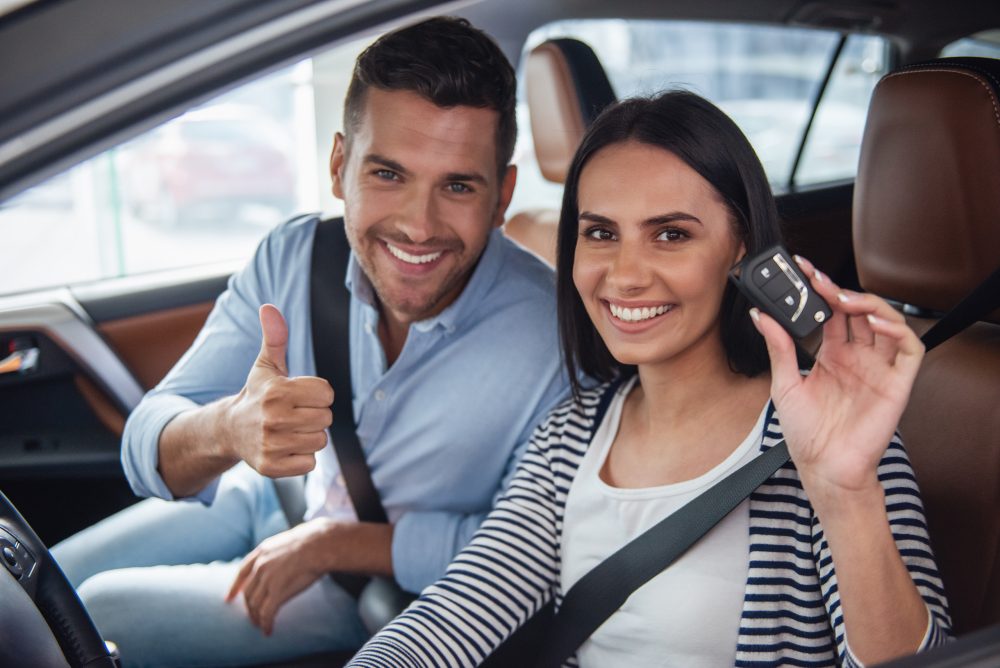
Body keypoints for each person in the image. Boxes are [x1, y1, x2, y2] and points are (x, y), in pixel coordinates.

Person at [347, 91, 952, 667]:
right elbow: (457, 612)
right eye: (602, 233)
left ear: (740, 249)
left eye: (671, 235)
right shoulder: (570, 435)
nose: (625, 275)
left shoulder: (827, 437)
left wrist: (845, 494)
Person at [50, 17, 570, 667]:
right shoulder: (297, 258)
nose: (419, 224)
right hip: (265, 498)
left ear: (503, 197)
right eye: (388, 174)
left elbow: (526, 554)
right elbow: (147, 442)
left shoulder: (551, 340)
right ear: (338, 166)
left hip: (371, 591)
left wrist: (336, 545)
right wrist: (229, 431)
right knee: (37, 583)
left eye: (458, 186)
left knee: (93, 614)